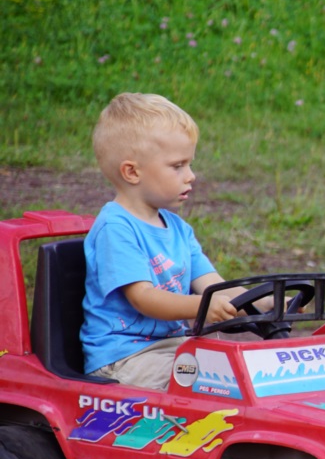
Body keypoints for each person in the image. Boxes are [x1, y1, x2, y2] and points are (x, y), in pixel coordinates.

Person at [81, 92, 242, 389]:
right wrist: (202, 306)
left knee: (239, 375)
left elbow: (217, 288)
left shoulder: (179, 229)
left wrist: (268, 300)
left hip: (174, 349)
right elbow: (144, 298)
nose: (191, 176)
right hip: (125, 358)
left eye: (189, 164)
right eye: (177, 166)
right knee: (215, 387)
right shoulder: (115, 228)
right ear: (132, 172)